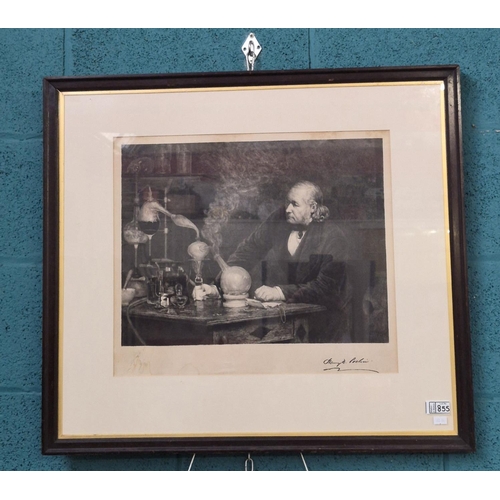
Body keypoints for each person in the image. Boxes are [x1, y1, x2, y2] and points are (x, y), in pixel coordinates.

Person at [200, 181, 352, 342]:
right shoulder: (280, 218)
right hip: (285, 317)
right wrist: (218, 286)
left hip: (324, 323)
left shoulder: (332, 237)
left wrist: (279, 292)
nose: (288, 209)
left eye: (295, 204)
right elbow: (248, 251)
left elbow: (325, 288)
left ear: (313, 207)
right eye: (287, 203)